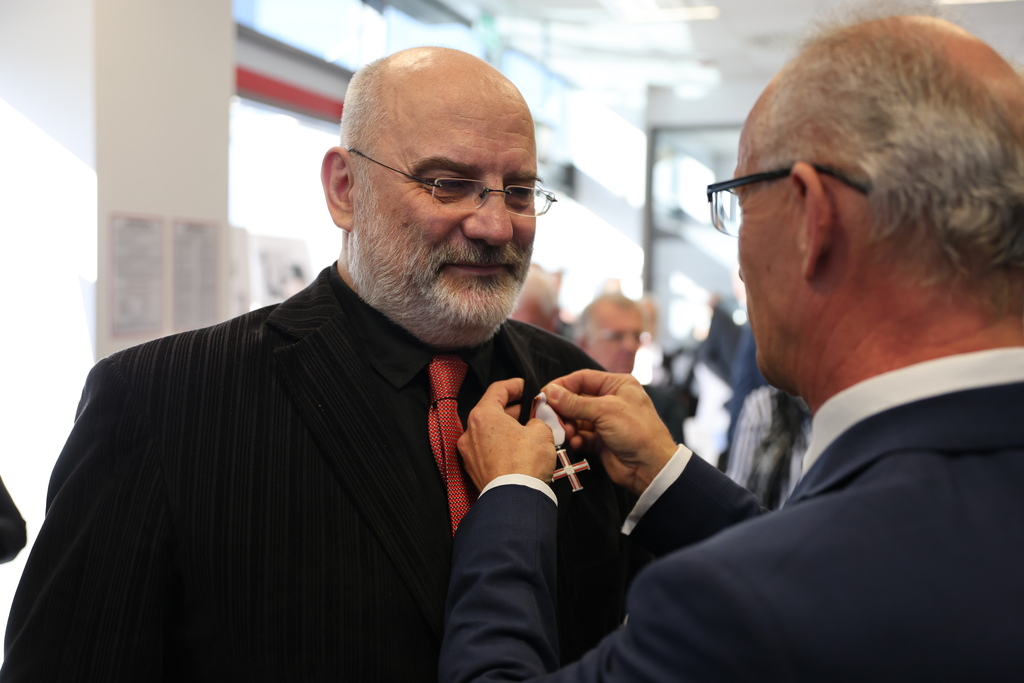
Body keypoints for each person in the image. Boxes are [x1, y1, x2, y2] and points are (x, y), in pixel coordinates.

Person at [1, 48, 643, 682]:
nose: (497, 226)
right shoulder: (165, 400)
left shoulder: (574, 389)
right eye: (448, 184)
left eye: (520, 191)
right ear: (344, 189)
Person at [440, 9, 1024, 681]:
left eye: (739, 202)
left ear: (811, 219)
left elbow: (806, 586)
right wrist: (668, 477)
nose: (738, 263)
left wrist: (511, 497)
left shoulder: (738, 603)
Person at [575, 293, 685, 442]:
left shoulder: (661, 408)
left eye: (636, 336)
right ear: (584, 343)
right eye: (616, 336)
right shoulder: (559, 401)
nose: (630, 346)